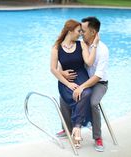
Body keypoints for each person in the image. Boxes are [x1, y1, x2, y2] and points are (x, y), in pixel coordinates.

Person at [57, 17, 109, 152]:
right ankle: (67, 129)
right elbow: (66, 62)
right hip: (82, 79)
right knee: (64, 97)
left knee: (92, 102)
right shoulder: (80, 44)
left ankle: (97, 137)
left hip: (99, 83)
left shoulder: (102, 50)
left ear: (93, 32)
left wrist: (81, 87)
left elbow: (98, 76)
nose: (81, 33)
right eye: (79, 30)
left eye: (83, 31)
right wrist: (63, 74)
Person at [50, 19, 99, 148]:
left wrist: (94, 45)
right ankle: (76, 129)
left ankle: (76, 128)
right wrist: (67, 83)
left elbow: (88, 62)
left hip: (82, 79)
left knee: (86, 92)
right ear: (70, 31)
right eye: (79, 31)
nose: (81, 33)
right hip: (66, 83)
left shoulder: (81, 44)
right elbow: (53, 69)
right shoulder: (56, 48)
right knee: (78, 96)